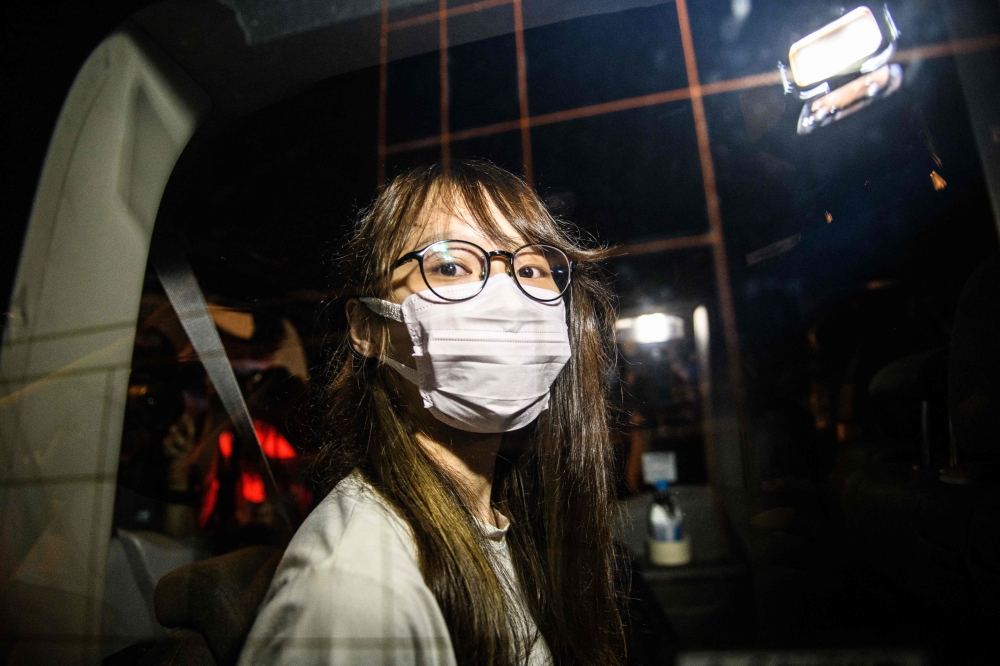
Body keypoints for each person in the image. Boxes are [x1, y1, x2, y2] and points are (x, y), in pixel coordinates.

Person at [239, 161, 625, 666]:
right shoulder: (354, 592)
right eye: (449, 265)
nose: (508, 300)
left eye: (530, 269)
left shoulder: (507, 524)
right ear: (366, 328)